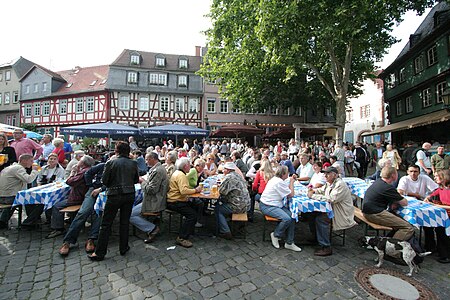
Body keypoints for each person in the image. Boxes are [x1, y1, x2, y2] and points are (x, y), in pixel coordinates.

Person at [88, 142, 139, 261]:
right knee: (124, 222)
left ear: (117, 151)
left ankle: (100, 252)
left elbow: (104, 180)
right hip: (129, 194)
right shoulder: (133, 163)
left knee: (106, 224)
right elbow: (136, 179)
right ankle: (124, 247)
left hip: (114, 195)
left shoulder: (111, 162)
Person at [59, 160, 106, 256]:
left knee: (98, 213)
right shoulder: (102, 166)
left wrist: (101, 189)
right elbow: (88, 173)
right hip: (92, 191)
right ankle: (68, 241)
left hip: (104, 193)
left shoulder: (117, 168)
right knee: (83, 212)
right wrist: (91, 185)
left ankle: (91, 239)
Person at [307, 166, 356, 256]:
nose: (325, 175)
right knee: (311, 214)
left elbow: (332, 199)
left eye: (327, 173)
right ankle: (316, 237)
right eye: (325, 173)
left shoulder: (340, 184)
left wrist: (313, 196)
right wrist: (313, 191)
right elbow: (322, 190)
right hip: (330, 209)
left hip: (340, 213)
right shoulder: (329, 183)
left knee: (321, 219)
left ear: (335, 175)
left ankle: (326, 247)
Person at [47, 155, 95, 238]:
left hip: (78, 198)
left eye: (80, 160)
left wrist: (72, 172)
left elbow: (69, 182)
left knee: (56, 205)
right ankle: (69, 219)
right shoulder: (89, 170)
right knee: (62, 198)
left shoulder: (84, 172)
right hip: (82, 196)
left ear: (83, 163)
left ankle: (58, 228)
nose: (78, 161)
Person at [362, 166, 415, 241]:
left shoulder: (378, 182)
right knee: (408, 228)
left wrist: (394, 201)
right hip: (374, 214)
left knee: (400, 222)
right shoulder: (388, 188)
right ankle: (390, 247)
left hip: (368, 211)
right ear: (393, 175)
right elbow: (404, 202)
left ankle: (389, 240)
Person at [259, 166, 302, 252]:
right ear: (283, 174)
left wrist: (290, 181)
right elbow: (291, 195)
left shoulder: (276, 179)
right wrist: (292, 182)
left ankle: (289, 242)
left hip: (275, 204)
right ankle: (275, 235)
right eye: (287, 172)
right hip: (268, 205)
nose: (288, 174)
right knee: (286, 219)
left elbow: (286, 188)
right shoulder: (278, 182)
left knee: (292, 216)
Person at [130, 152, 168, 244]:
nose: (146, 162)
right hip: (153, 198)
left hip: (154, 201)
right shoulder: (158, 168)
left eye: (147, 159)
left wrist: (142, 181)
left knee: (130, 214)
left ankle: (152, 228)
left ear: (153, 159)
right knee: (131, 203)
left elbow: (151, 190)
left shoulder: (158, 171)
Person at [166, 157, 203, 248]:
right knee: (192, 215)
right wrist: (195, 190)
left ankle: (190, 228)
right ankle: (182, 238)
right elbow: (183, 191)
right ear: (185, 166)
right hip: (174, 201)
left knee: (197, 204)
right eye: (189, 165)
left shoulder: (178, 173)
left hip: (176, 199)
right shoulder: (181, 175)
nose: (190, 166)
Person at [0, 154, 39, 229]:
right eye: (31, 161)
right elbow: (29, 180)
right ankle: (28, 222)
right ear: (24, 161)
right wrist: (34, 171)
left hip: (3, 195)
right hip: (8, 197)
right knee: (36, 203)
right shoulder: (18, 168)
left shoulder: (10, 167)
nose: (32, 163)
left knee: (25, 198)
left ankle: (2, 221)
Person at [215, 162, 251, 239]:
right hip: (247, 204)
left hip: (238, 206)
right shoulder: (238, 175)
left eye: (224, 169)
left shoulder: (228, 177)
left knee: (218, 209)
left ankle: (226, 232)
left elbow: (221, 192)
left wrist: (219, 186)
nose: (223, 171)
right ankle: (227, 220)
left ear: (228, 170)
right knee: (224, 201)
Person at [423, 170, 450, 263]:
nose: (435, 178)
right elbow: (433, 194)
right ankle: (435, 248)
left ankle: (446, 255)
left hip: (447, 216)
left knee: (441, 230)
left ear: (443, 178)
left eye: (437, 176)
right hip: (442, 215)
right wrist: (428, 197)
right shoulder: (441, 188)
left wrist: (438, 206)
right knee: (428, 225)